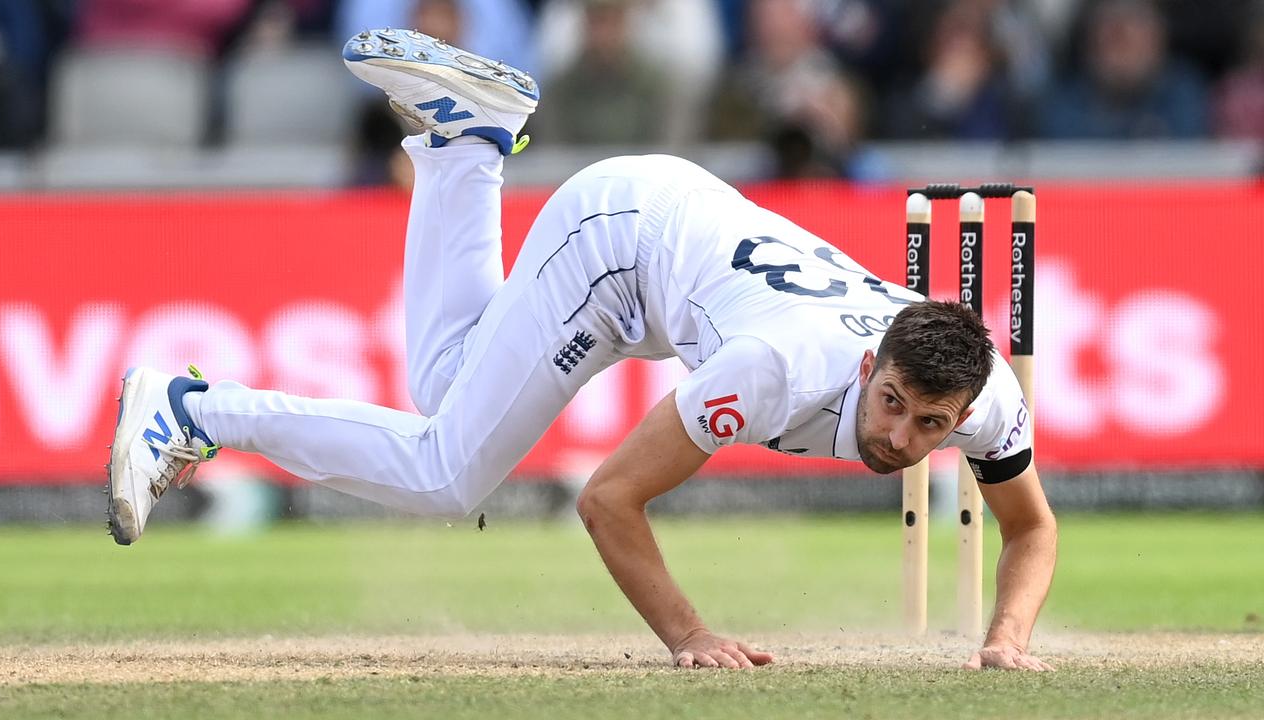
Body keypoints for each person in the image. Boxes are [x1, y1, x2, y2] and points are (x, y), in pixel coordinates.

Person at [107, 28, 1058, 672]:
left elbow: (1031, 527)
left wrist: (1008, 637)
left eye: (931, 424)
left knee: (447, 385)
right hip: (623, 242)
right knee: (449, 473)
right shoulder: (771, 373)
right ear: (867, 370)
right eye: (893, 403)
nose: (900, 438)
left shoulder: (987, 403)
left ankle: (466, 143)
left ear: (966, 412)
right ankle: (190, 409)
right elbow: (608, 499)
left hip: (679, 245)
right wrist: (690, 636)